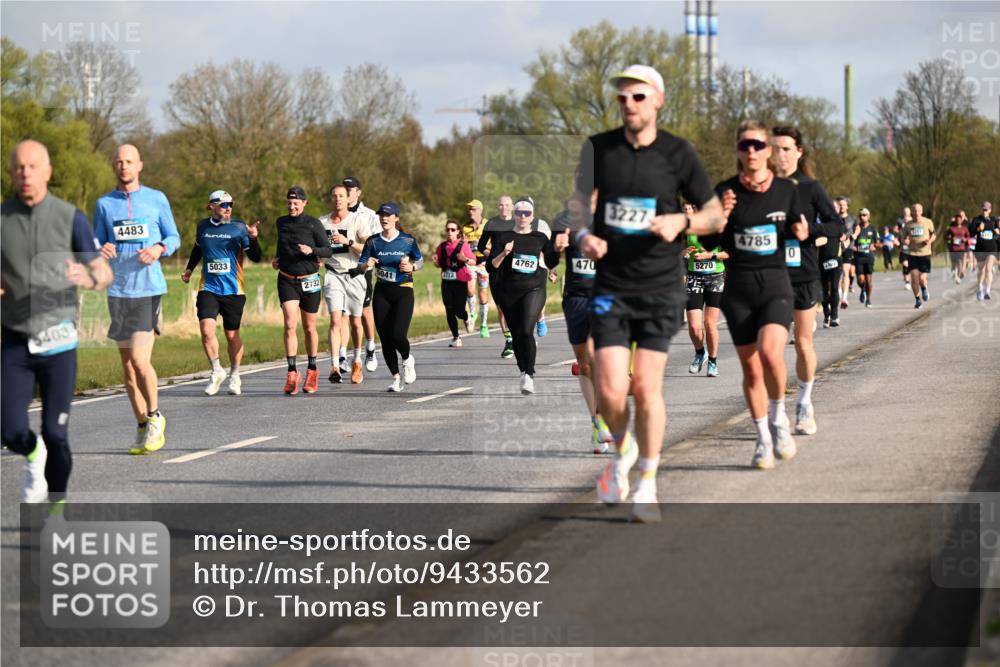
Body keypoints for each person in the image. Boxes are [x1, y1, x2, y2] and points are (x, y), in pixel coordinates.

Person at [575, 64, 724, 522]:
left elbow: (715, 215)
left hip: (660, 285)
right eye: (622, 97)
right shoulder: (598, 149)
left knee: (645, 387)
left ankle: (647, 480)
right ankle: (623, 453)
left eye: (638, 97)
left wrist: (683, 221)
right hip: (612, 285)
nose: (629, 105)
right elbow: (578, 207)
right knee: (609, 389)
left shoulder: (678, 153)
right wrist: (584, 235)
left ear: (657, 99)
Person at [2, 140, 112, 506]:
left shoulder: (70, 218)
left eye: (33, 167)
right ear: (11, 172)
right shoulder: (3, 220)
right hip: (14, 340)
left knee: (56, 432)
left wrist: (88, 277)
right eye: (19, 167)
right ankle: (33, 456)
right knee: (11, 430)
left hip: (58, 343)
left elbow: (103, 273)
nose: (25, 173)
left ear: (47, 171)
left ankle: (57, 508)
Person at [717, 121, 809, 469]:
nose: (751, 151)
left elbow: (798, 227)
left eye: (758, 145)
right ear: (738, 152)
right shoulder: (725, 190)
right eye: (744, 146)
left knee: (771, 355)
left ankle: (779, 418)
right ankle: (761, 438)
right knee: (751, 370)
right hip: (738, 290)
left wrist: (802, 231)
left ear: (768, 150)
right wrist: (722, 218)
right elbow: (710, 244)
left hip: (774, 286)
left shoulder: (787, 189)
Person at [93, 144, 180, 455]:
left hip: (148, 289)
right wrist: (100, 249)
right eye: (118, 161)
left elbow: (173, 237)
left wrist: (158, 249)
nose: (123, 166)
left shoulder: (156, 199)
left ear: (139, 165)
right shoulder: (104, 204)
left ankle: (156, 417)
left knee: (141, 361)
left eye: (129, 161)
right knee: (128, 368)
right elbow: (96, 239)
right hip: (118, 291)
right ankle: (143, 425)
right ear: (113, 166)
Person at [771, 125, 840, 436]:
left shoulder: (811, 188)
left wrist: (810, 232)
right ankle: (775, 411)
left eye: (787, 148)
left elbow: (837, 225)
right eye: (776, 148)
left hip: (803, 274)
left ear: (799, 152)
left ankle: (804, 402)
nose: (780, 154)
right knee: (770, 348)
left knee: (802, 342)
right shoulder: (763, 186)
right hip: (770, 275)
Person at [181, 190, 262, 396]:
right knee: (207, 330)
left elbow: (256, 257)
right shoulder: (202, 226)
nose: (228, 208)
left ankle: (235, 374)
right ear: (211, 206)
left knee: (231, 335)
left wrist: (253, 239)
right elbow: (198, 248)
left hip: (233, 290)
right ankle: (217, 370)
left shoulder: (239, 227)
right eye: (224, 204)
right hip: (208, 287)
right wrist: (190, 269)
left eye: (230, 205)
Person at [550, 197, 613, 453]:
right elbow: (550, 260)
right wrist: (556, 248)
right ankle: (597, 421)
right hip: (575, 297)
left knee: (594, 353)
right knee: (584, 363)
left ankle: (606, 417)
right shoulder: (564, 220)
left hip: (604, 296)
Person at [488, 198, 551, 395]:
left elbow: (552, 259)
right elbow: (492, 267)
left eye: (526, 213)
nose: (522, 216)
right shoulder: (503, 237)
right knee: (516, 335)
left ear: (532, 216)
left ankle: (530, 375)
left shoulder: (540, 238)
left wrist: (553, 269)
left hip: (534, 289)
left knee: (526, 330)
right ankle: (523, 371)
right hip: (509, 291)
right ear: (514, 215)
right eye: (519, 213)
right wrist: (504, 253)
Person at [358, 202, 423, 392]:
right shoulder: (373, 242)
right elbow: (362, 265)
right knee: (385, 338)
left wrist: (412, 267)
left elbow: (419, 261)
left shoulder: (407, 241)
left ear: (396, 218)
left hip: (403, 290)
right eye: (381, 215)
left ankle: (407, 359)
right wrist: (366, 264)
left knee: (397, 334)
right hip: (382, 292)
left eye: (388, 215)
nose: (384, 218)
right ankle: (395, 378)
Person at [274, 186, 332, 394]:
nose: (292, 206)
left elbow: (327, 249)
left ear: (304, 203)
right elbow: (282, 245)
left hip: (309, 280)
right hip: (287, 279)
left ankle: (312, 370)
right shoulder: (281, 222)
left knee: (309, 327)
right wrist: (277, 259)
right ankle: (291, 372)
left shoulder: (313, 224)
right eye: (289, 203)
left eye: (296, 203)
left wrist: (312, 250)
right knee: (290, 324)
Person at [319, 184, 369, 384]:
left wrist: (348, 241)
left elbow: (367, 250)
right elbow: (320, 250)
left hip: (355, 274)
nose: (338, 199)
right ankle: (334, 366)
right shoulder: (323, 222)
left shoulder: (358, 220)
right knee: (335, 321)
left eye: (342, 196)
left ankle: (357, 360)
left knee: (356, 322)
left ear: (349, 198)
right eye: (334, 196)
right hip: (333, 275)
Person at [682, 202, 727, 378]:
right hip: (694, 277)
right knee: (694, 326)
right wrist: (683, 251)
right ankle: (700, 353)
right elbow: (681, 248)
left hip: (715, 277)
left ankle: (713, 362)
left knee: (709, 324)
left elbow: (728, 253)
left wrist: (711, 255)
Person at [343, 176, 382, 372]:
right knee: (344, 314)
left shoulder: (370, 216)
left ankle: (370, 347)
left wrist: (350, 243)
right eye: (344, 190)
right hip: (341, 269)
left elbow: (374, 248)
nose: (346, 194)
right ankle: (343, 356)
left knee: (365, 312)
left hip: (362, 269)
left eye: (349, 190)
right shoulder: (337, 215)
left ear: (358, 192)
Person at [478, 195, 516, 358]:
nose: (504, 207)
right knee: (501, 307)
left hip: (515, 269)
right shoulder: (492, 223)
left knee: (518, 305)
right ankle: (509, 341)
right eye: (501, 205)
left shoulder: (519, 222)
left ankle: (522, 334)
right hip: (496, 269)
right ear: (497, 207)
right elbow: (480, 246)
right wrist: (493, 254)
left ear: (512, 206)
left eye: (507, 205)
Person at [432, 220, 477, 346]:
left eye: (452, 229)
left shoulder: (463, 245)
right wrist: (436, 263)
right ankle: (456, 337)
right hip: (446, 282)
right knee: (449, 310)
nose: (450, 232)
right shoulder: (441, 247)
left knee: (459, 310)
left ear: (458, 231)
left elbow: (474, 261)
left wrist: (465, 259)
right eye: (447, 229)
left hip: (460, 281)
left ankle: (467, 318)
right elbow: (439, 263)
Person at [461, 200, 491, 337]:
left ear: (480, 210)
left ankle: (484, 324)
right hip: (471, 262)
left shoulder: (488, 225)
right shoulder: (465, 228)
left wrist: (483, 245)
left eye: (473, 209)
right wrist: (465, 244)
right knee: (469, 288)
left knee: (483, 294)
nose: (470, 212)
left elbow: (496, 243)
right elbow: (463, 246)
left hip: (485, 261)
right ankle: (473, 314)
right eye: (469, 209)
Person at [902, 202, 936, 309]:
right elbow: (903, 238)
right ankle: (917, 299)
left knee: (922, 278)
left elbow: (934, 235)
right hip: (912, 254)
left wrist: (929, 241)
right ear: (912, 212)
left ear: (921, 211)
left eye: (918, 211)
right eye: (914, 211)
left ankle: (924, 288)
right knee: (914, 278)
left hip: (925, 253)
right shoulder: (908, 225)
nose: (916, 213)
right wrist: (905, 241)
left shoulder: (928, 222)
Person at [852, 208, 880, 307]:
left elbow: (878, 242)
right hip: (858, 257)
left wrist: (874, 246)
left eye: (864, 215)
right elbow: (852, 240)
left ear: (868, 216)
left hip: (869, 257)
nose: (862, 217)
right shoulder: (856, 228)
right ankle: (863, 289)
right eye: (860, 215)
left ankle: (868, 299)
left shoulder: (873, 228)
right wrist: (853, 247)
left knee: (868, 280)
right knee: (860, 279)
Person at [835, 196, 858, 309]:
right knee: (838, 274)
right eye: (839, 205)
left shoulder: (852, 218)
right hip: (836, 247)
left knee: (846, 272)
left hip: (848, 248)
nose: (841, 206)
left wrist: (855, 235)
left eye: (843, 205)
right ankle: (839, 296)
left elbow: (857, 228)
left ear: (847, 206)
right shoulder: (834, 218)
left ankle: (844, 298)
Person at [972, 201, 997, 300]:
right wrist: (978, 229)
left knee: (988, 269)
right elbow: (971, 233)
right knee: (981, 270)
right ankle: (980, 287)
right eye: (983, 209)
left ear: (990, 210)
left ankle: (987, 290)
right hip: (980, 249)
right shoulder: (976, 220)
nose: (984, 211)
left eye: (986, 210)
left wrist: (997, 231)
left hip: (991, 249)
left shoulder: (994, 220)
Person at [946, 214, 971, 284]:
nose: (958, 221)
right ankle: (954, 273)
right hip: (953, 248)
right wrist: (951, 238)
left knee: (959, 261)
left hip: (961, 248)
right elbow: (945, 236)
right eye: (957, 220)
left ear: (961, 220)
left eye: (959, 220)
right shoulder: (951, 228)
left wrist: (965, 239)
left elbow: (968, 237)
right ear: (955, 220)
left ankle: (958, 276)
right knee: (954, 263)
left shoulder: (964, 228)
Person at [898, 206, 913, 290]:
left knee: (910, 266)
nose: (905, 212)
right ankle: (907, 282)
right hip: (903, 246)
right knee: (905, 264)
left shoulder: (913, 220)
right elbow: (897, 230)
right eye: (904, 211)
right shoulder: (900, 221)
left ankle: (907, 278)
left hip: (911, 246)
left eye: (907, 211)